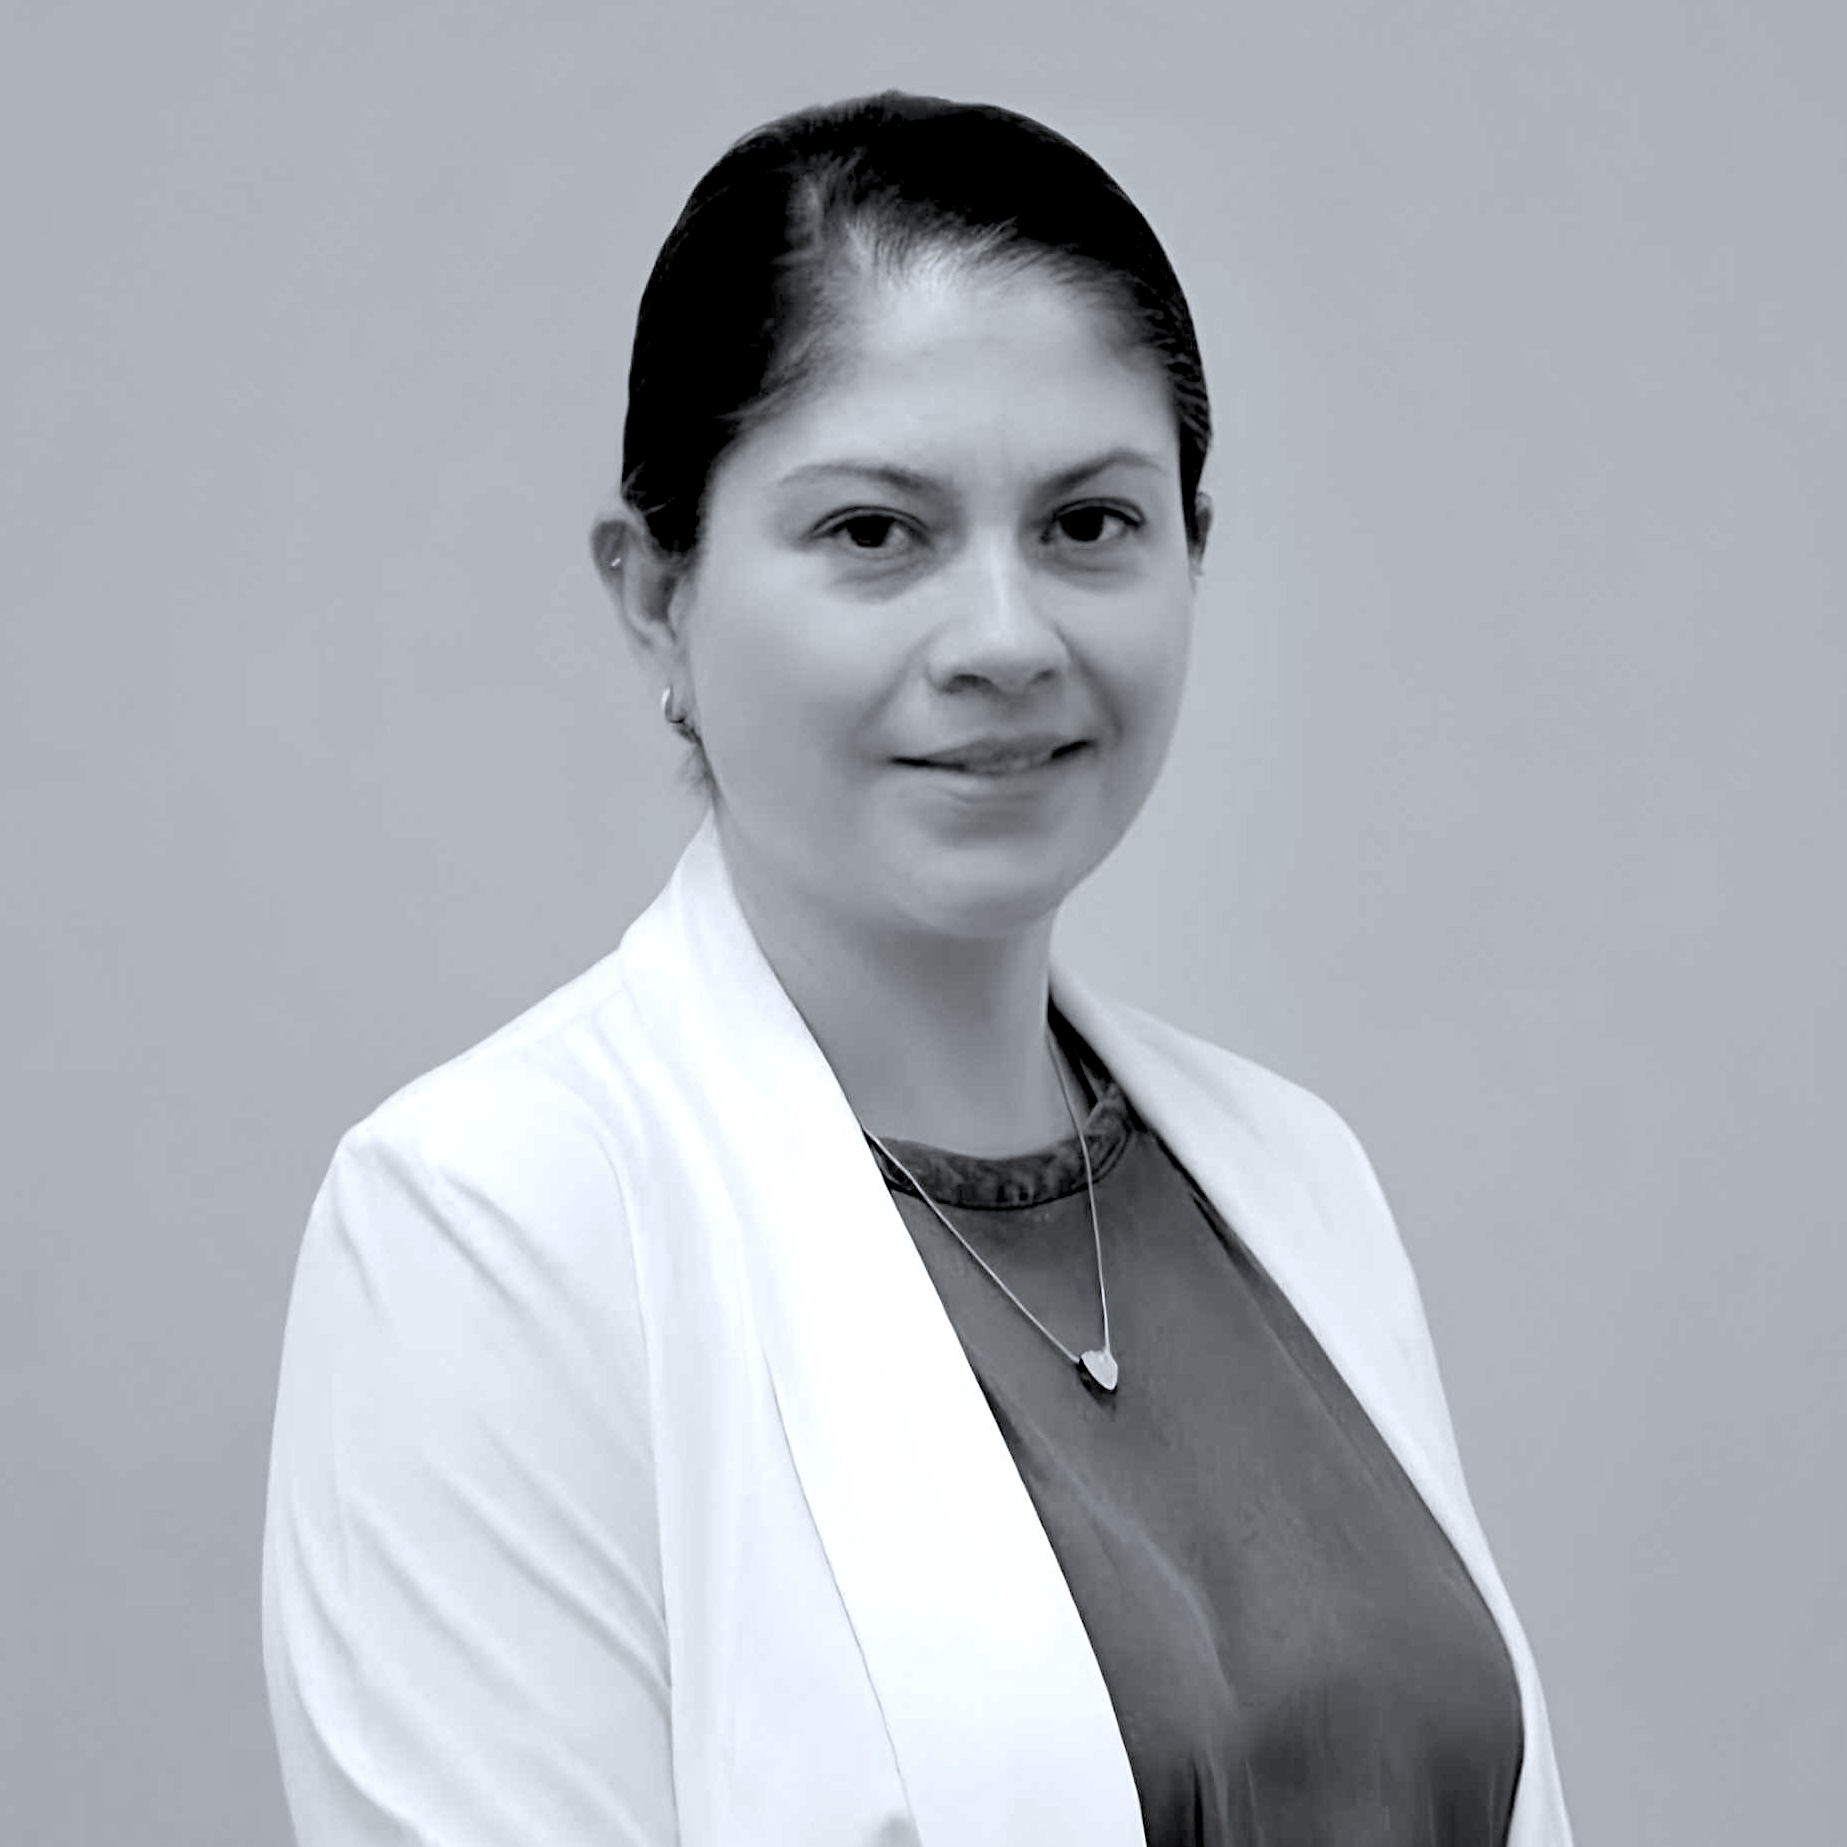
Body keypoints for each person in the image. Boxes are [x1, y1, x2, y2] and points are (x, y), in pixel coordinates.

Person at [260, 91, 1574, 1846]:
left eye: (1090, 524)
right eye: (876, 533)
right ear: (655, 595)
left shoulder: (1295, 1183)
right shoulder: (492, 1231)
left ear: (1194, 551)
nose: (1006, 641)